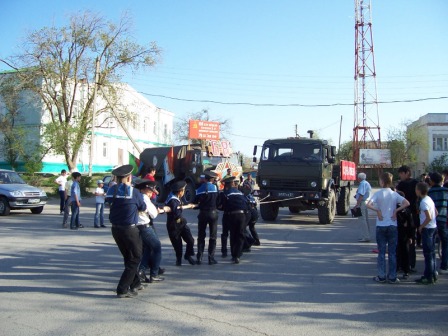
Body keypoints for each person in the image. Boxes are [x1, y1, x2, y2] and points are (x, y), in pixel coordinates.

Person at [106, 164, 146, 298]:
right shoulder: (134, 192)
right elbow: (143, 206)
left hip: (115, 229)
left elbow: (109, 201)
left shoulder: (112, 190)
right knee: (136, 258)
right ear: (129, 177)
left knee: (128, 256)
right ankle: (122, 288)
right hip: (130, 229)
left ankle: (135, 283)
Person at [367, 172, 410, 284]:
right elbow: (406, 203)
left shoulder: (378, 193)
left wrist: (378, 211)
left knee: (381, 252)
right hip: (392, 224)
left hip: (381, 225)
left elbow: (368, 204)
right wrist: (396, 211)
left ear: (382, 182)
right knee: (392, 252)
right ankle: (392, 276)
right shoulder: (394, 194)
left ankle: (381, 276)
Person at [134, 179, 164, 283]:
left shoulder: (137, 196)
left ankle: (141, 271)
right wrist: (158, 210)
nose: (151, 193)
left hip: (138, 226)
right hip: (145, 226)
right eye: (150, 191)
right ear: (145, 190)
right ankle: (154, 274)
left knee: (147, 249)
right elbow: (154, 214)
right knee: (157, 248)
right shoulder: (144, 198)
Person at [164, 181, 196, 266]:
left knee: (190, 240)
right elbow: (176, 212)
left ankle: (188, 255)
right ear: (180, 191)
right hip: (173, 225)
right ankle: (178, 260)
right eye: (183, 190)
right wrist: (185, 207)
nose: (184, 192)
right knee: (178, 245)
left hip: (181, 224)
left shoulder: (175, 197)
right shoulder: (172, 200)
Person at [218, 176, 248, 264]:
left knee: (233, 235)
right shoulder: (240, 193)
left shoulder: (225, 194)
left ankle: (233, 255)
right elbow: (246, 204)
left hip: (231, 215)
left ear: (226, 185)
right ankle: (237, 255)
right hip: (242, 215)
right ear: (233, 184)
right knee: (240, 235)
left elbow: (221, 206)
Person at [395, 165, 420, 271]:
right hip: (413, 215)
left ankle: (402, 264)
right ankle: (410, 264)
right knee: (411, 240)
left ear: (406, 173)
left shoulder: (401, 185)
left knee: (402, 241)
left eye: (401, 174)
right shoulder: (416, 183)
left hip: (402, 216)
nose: (400, 176)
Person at [414, 182, 438, 285]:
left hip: (427, 228)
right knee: (432, 253)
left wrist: (421, 226)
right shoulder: (430, 199)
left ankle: (429, 277)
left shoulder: (423, 202)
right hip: (433, 227)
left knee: (428, 254)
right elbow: (436, 213)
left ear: (419, 190)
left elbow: (428, 217)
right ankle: (432, 274)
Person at [194, 171, 219, 265]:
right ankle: (211, 258)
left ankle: (199, 257)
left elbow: (195, 201)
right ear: (212, 179)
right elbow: (218, 200)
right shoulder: (215, 188)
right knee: (213, 236)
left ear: (205, 179)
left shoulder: (200, 189)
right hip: (213, 213)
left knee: (201, 236)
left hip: (203, 214)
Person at [427, 172, 448, 275]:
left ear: (431, 181)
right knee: (445, 242)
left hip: (431, 221)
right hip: (443, 219)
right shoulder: (446, 191)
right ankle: (444, 266)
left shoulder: (429, 192)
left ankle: (432, 268)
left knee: (431, 245)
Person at [353, 172, 372, 242]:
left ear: (359, 178)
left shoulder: (362, 184)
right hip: (366, 202)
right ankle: (367, 235)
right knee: (365, 220)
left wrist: (356, 205)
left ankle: (366, 236)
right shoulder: (366, 183)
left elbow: (361, 195)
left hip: (363, 202)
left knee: (362, 220)